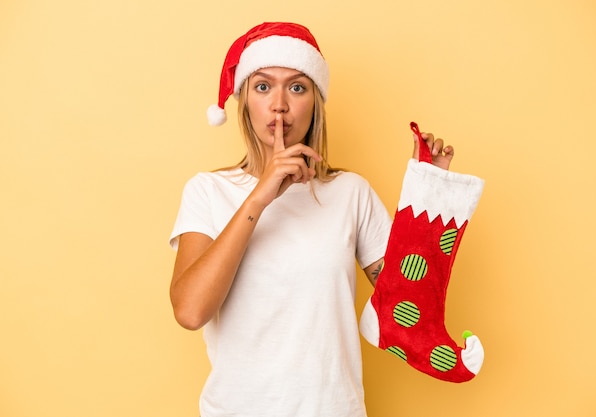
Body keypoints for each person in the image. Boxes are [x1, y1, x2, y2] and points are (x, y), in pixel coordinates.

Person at [169, 22, 455, 417]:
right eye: (263, 86)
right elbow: (190, 311)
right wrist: (261, 195)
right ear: (244, 100)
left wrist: (429, 196)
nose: (280, 104)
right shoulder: (208, 191)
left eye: (298, 87)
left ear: (314, 103)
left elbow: (406, 307)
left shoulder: (350, 193)